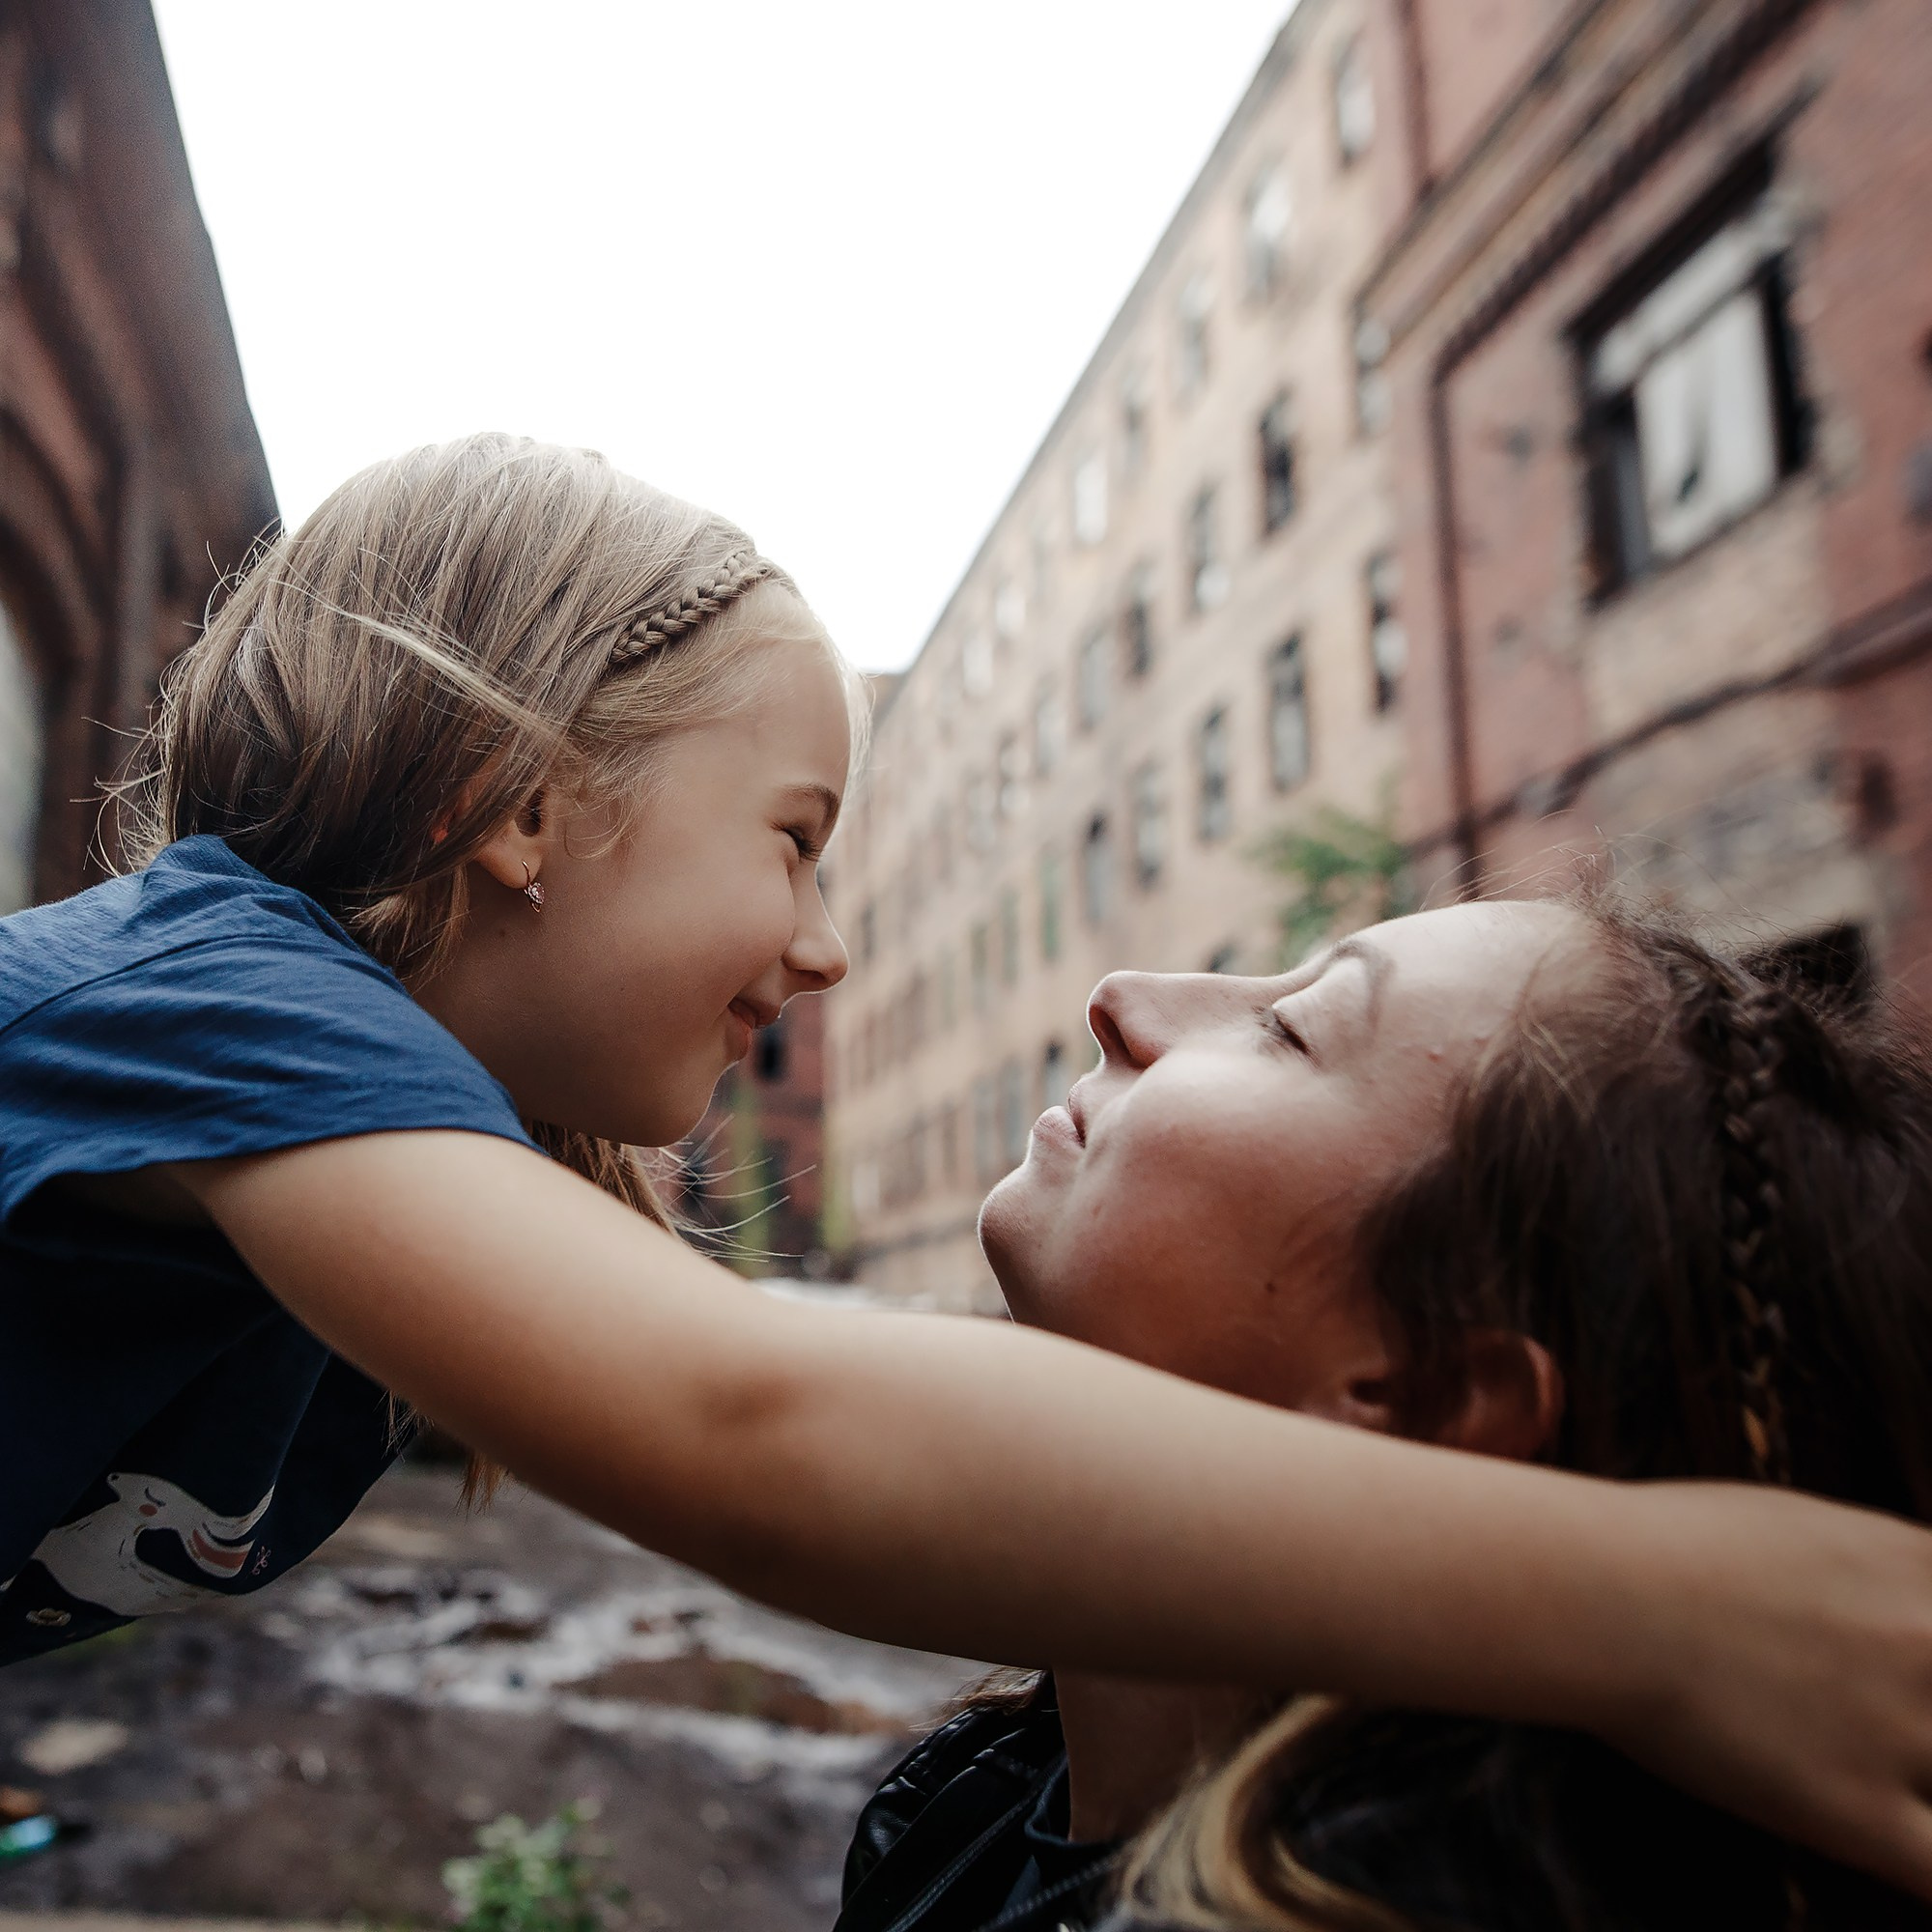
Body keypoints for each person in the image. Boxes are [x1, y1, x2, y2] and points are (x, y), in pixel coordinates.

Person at [5, 435, 1932, 1901]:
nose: (826, 943)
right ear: (522, 807)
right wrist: (1656, 1609)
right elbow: (756, 1418)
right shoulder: (218, 986)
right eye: (794, 834)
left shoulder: (397, 1131)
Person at [837, 896, 1932, 1930]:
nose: (1123, 995)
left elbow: (729, 1413)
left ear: (1425, 1394)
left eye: (1288, 1027)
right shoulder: (976, 1801)